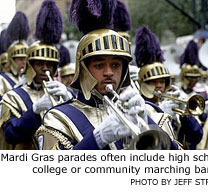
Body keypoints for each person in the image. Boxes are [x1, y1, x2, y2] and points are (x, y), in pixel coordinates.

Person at [36, 0, 181, 150]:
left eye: (116, 65)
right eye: (99, 65)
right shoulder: (59, 117)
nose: (109, 73)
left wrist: (148, 122)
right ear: (84, 69)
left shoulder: (150, 111)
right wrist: (97, 138)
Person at [0, 0, 72, 150]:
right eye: (39, 63)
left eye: (50, 64)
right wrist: (35, 110)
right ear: (29, 65)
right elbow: (10, 135)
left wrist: (72, 102)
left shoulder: (65, 92)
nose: (45, 69)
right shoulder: (13, 97)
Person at [134, 26, 203, 150]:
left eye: (162, 81)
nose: (159, 85)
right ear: (143, 84)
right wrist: (160, 113)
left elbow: (196, 137)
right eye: (153, 82)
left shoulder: (170, 103)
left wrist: (186, 114)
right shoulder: (138, 108)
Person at [0, 12, 29, 100]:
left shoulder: (30, 80)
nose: (24, 62)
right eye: (20, 59)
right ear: (11, 60)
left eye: (26, 59)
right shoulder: (2, 80)